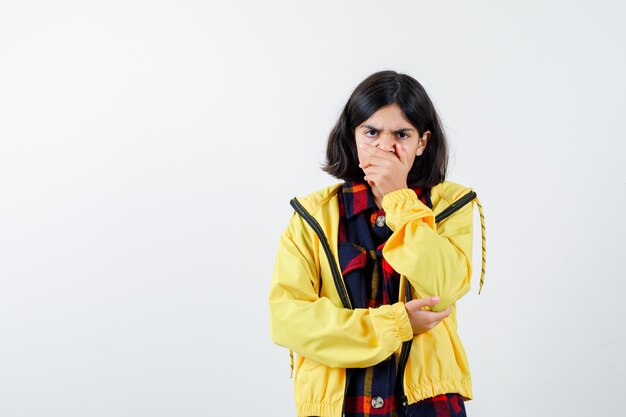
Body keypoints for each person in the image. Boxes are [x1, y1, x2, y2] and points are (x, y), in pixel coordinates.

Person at [268, 70, 486, 417]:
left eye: (402, 134)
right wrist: (395, 325)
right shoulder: (312, 216)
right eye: (371, 132)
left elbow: (444, 289)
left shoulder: (449, 205)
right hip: (338, 404)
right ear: (352, 137)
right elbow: (287, 319)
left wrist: (399, 199)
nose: (386, 147)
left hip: (426, 404)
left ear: (422, 143)